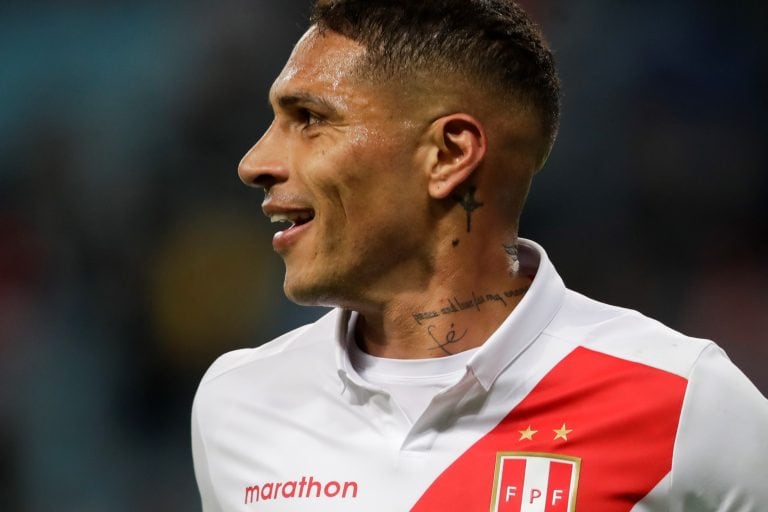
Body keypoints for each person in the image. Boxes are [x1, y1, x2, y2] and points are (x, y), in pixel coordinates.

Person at [191, 1, 768, 510]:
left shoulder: (685, 400)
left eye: (310, 120)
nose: (254, 162)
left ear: (448, 154)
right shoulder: (237, 403)